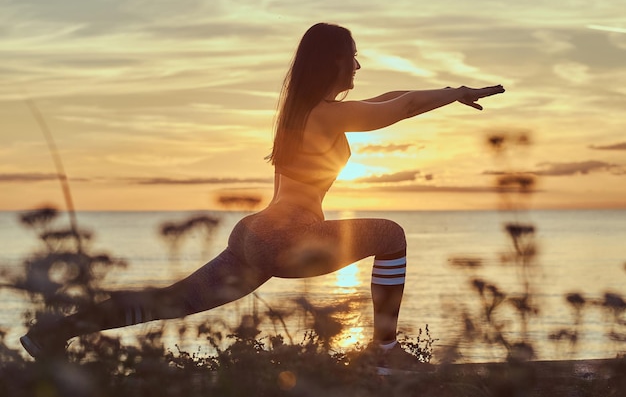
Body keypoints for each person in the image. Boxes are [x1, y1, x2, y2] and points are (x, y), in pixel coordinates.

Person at [20, 23, 504, 372]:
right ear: (332, 60)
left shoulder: (310, 111)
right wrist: (452, 92)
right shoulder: (325, 115)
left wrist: (446, 91)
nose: (358, 63)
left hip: (256, 234)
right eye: (352, 54)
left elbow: (389, 99)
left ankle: (52, 333)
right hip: (287, 239)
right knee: (391, 236)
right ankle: (384, 351)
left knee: (174, 302)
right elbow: (400, 108)